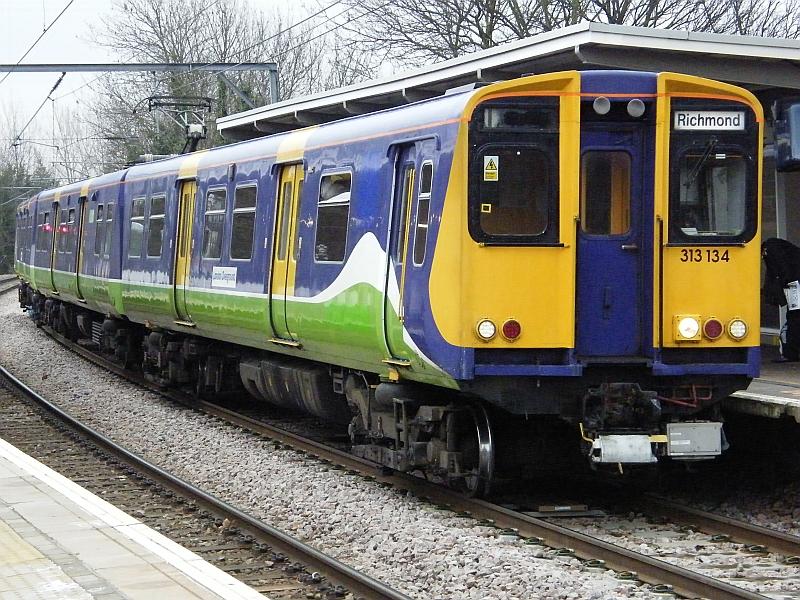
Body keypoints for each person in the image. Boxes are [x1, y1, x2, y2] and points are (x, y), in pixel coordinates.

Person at [762, 238, 800, 361]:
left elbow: (777, 272)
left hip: (793, 284)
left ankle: (791, 353)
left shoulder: (770, 249)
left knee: (794, 317)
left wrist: (779, 291)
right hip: (794, 282)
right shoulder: (780, 247)